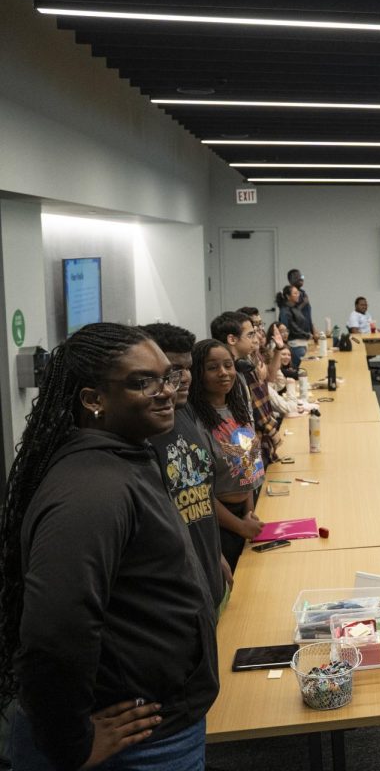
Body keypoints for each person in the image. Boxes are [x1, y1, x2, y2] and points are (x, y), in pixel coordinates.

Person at [0, 323, 218, 771]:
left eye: (169, 376)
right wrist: (71, 744)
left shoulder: (125, 457)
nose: (166, 391)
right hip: (136, 744)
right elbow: (54, 635)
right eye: (143, 382)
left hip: (160, 727)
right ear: (93, 400)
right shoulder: (91, 489)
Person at [140, 322, 231, 615]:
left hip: (207, 572)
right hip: (177, 599)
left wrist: (215, 553)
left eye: (188, 367)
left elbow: (200, 494)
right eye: (173, 369)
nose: (186, 378)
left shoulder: (185, 412)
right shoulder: (142, 434)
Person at [189, 338, 265, 572]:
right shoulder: (194, 421)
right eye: (212, 368)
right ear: (197, 374)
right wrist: (240, 527)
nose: (224, 373)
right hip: (220, 522)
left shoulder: (237, 407)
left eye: (228, 365)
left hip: (245, 512)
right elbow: (201, 492)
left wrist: (249, 513)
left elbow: (247, 466)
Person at [212, 310, 280, 466]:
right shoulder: (227, 377)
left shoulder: (243, 368)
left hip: (250, 449)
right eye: (250, 335)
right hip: (237, 456)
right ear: (232, 339)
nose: (255, 340)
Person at [277, 284, 313, 370]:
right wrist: (307, 335)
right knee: (301, 370)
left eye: (298, 293)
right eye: (295, 293)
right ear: (288, 296)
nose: (298, 295)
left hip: (302, 343)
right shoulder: (285, 310)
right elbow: (292, 328)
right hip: (295, 345)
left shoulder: (294, 307)